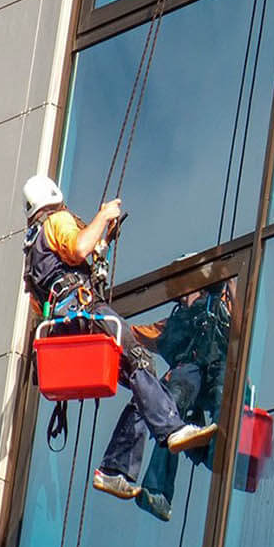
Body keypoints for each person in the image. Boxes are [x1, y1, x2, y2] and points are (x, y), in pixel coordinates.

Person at [20, 175, 217, 501]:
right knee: (140, 360)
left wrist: (104, 237)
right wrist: (103, 215)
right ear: (54, 197)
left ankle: (115, 469)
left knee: (140, 380)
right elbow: (81, 247)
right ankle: (171, 428)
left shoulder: (33, 251)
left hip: (64, 326)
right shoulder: (57, 221)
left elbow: (56, 283)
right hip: (85, 312)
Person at [129, 283, 234, 522]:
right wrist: (105, 323)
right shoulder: (174, 323)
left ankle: (221, 450)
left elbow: (244, 322)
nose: (183, 295)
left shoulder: (221, 307)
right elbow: (135, 334)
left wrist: (230, 278)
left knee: (223, 394)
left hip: (218, 371)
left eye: (188, 288)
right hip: (191, 377)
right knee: (170, 409)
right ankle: (157, 491)